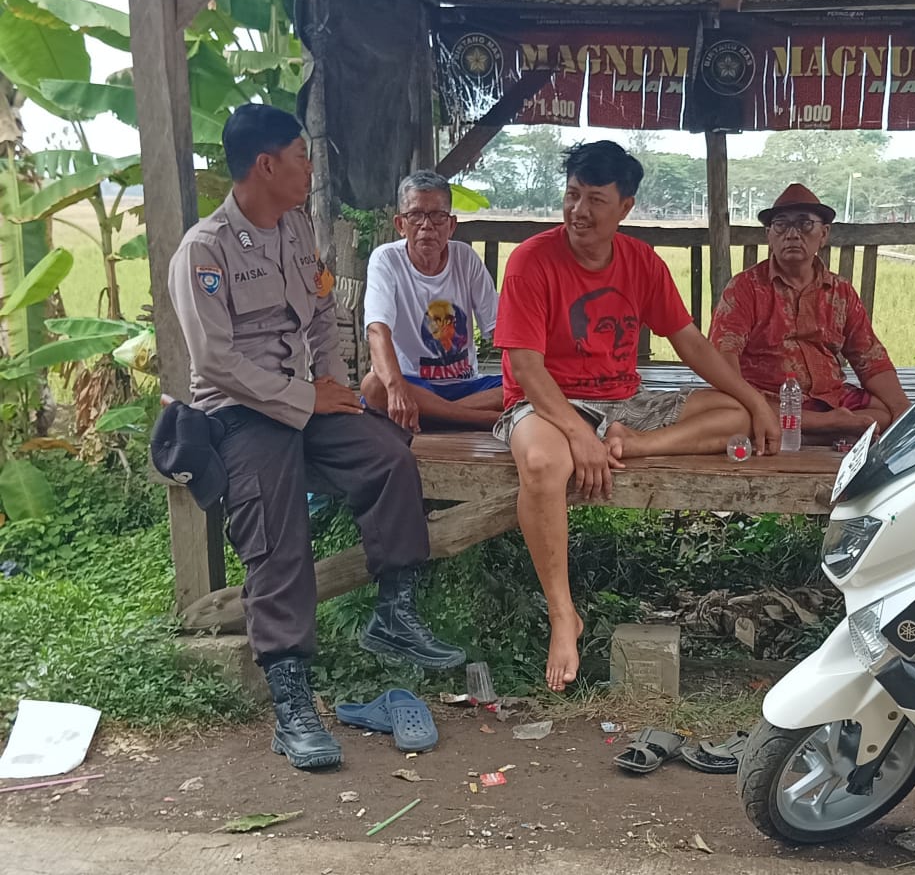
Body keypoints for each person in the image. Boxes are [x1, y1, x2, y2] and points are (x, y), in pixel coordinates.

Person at [168, 104, 465, 772]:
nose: (310, 167)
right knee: (278, 530)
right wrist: (306, 398)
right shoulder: (204, 249)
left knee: (388, 456)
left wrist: (333, 385)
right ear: (266, 165)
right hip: (240, 413)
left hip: (307, 399)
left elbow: (322, 317)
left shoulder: (296, 228)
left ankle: (394, 612)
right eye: (300, 156)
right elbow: (215, 362)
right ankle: (292, 700)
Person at [493, 139, 780, 692]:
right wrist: (578, 435)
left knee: (735, 415)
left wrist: (755, 400)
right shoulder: (531, 260)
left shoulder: (641, 261)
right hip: (548, 401)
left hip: (624, 401)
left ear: (625, 207)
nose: (579, 210)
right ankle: (563, 615)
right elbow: (526, 369)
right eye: (572, 195)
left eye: (595, 200)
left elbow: (690, 342)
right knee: (544, 464)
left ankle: (637, 444)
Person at [710, 183, 909, 440]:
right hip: (769, 399)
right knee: (736, 410)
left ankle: (816, 426)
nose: (792, 234)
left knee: (883, 411)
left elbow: (870, 358)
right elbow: (722, 359)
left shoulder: (841, 291)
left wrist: (902, 409)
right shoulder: (745, 287)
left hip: (831, 398)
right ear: (769, 235)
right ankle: (825, 426)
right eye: (781, 225)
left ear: (824, 234)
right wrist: (751, 401)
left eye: (805, 224)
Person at [362, 171, 504, 432]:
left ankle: (436, 415)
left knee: (527, 385)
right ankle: (483, 419)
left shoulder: (465, 258)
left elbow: (499, 328)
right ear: (400, 224)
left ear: (451, 225)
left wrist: (526, 375)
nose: (427, 226)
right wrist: (396, 388)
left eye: (438, 216)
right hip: (412, 384)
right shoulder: (386, 260)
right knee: (374, 386)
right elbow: (377, 329)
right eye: (415, 215)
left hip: (465, 385)